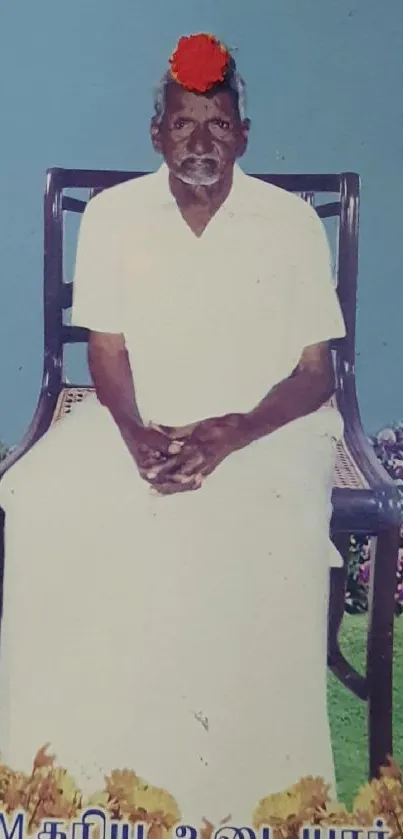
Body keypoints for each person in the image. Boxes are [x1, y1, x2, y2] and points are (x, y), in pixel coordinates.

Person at [0, 33, 347, 828]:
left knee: (271, 518)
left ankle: (255, 785)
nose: (200, 141)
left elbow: (314, 375)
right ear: (155, 132)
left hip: (268, 424)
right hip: (138, 416)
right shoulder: (116, 216)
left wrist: (231, 434)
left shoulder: (289, 222)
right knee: (39, 496)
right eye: (182, 124)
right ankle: (62, 776)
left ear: (244, 134)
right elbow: (109, 352)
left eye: (217, 123)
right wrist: (133, 436)